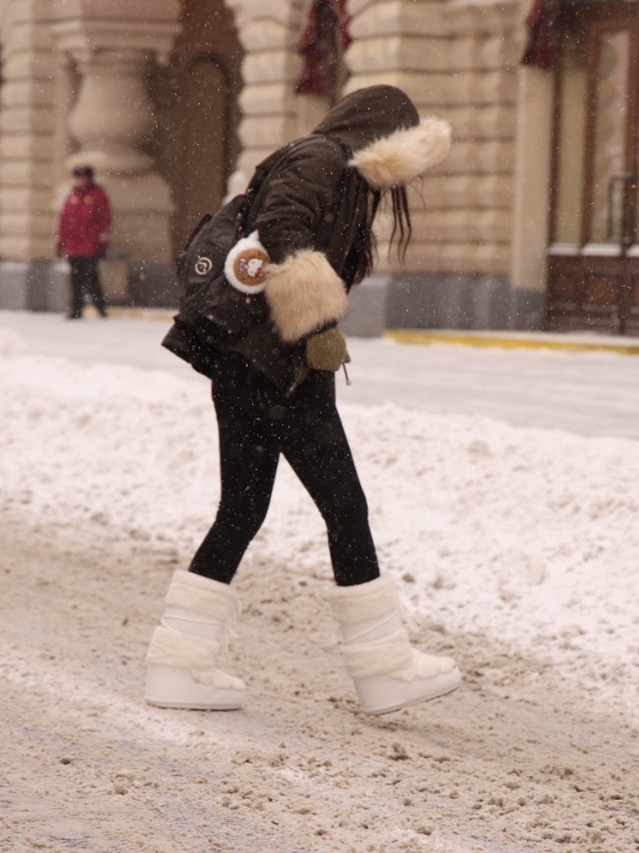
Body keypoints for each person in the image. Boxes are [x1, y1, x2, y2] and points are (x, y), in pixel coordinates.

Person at [148, 85, 461, 715]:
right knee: (345, 507)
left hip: (251, 361)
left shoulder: (344, 175)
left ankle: (177, 665)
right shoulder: (322, 159)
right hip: (270, 366)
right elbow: (280, 226)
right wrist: (317, 321)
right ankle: (384, 668)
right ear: (380, 136)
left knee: (242, 510)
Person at [56, 165, 110, 320]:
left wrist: (102, 242)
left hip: (89, 245)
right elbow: (64, 220)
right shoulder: (72, 197)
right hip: (73, 246)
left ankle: (100, 307)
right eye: (78, 178)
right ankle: (76, 308)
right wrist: (60, 241)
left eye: (83, 178)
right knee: (75, 280)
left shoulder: (97, 196)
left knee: (91, 278)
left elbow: (104, 220)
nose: (81, 181)